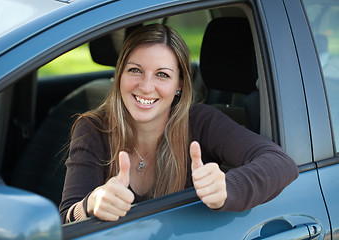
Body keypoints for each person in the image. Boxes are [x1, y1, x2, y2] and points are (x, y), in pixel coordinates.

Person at [59, 24, 299, 223]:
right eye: (135, 70)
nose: (146, 86)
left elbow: (281, 163)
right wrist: (90, 205)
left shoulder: (200, 121)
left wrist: (227, 188)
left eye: (162, 74)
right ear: (119, 74)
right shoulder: (93, 129)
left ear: (180, 85)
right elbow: (67, 218)